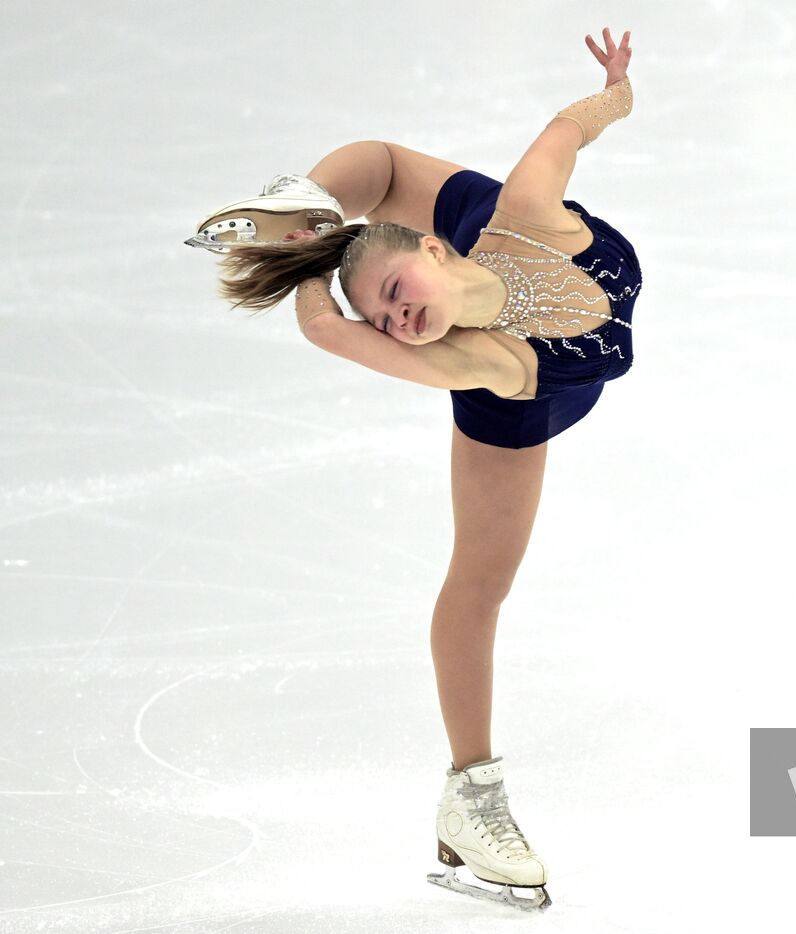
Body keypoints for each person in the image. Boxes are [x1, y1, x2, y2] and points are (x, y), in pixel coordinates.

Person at [184, 28, 638, 913]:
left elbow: (569, 127)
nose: (396, 323)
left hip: (508, 262)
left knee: (388, 166)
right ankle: (473, 796)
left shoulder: (519, 208)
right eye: (384, 320)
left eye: (395, 298)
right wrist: (305, 258)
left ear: (434, 249)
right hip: (535, 395)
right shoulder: (477, 364)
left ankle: (309, 201)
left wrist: (617, 90)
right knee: (479, 584)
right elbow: (327, 329)